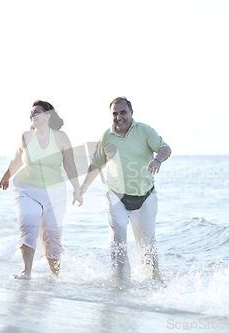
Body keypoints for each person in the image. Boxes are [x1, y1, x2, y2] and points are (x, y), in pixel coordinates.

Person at [79, 96, 171, 285]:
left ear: (131, 113)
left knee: (147, 242)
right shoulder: (107, 136)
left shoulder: (144, 130)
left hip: (145, 196)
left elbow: (165, 148)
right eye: (115, 113)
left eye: (123, 112)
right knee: (118, 235)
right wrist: (83, 188)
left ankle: (153, 280)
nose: (119, 117)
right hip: (116, 196)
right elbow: (96, 165)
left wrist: (157, 160)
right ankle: (120, 281)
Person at [0, 100, 83, 279]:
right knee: (28, 225)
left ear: (47, 115)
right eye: (31, 113)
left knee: (52, 236)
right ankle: (26, 272)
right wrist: (6, 176)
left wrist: (77, 189)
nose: (32, 115)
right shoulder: (26, 137)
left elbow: (70, 165)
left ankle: (56, 276)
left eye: (36, 112)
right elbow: (16, 161)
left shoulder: (61, 137)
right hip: (26, 191)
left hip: (55, 193)